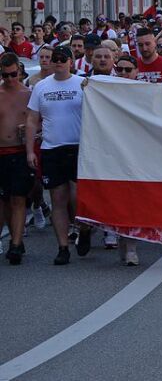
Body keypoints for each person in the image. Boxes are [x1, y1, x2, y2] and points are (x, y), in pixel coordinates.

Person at [24, 46, 88, 265]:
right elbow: (32, 119)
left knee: (78, 196)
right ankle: (62, 247)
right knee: (58, 200)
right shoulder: (41, 87)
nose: (58, 62)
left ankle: (84, 228)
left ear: (71, 61)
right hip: (52, 148)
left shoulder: (83, 83)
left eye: (63, 59)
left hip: (79, 147)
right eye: (55, 59)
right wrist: (30, 149)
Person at [0, 52, 32, 264]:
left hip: (19, 153)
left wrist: (31, 133)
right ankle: (16, 239)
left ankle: (15, 245)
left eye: (13, 74)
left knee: (18, 198)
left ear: (19, 72)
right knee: (5, 201)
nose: (10, 79)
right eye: (5, 75)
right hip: (1, 153)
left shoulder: (28, 94)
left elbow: (40, 122)